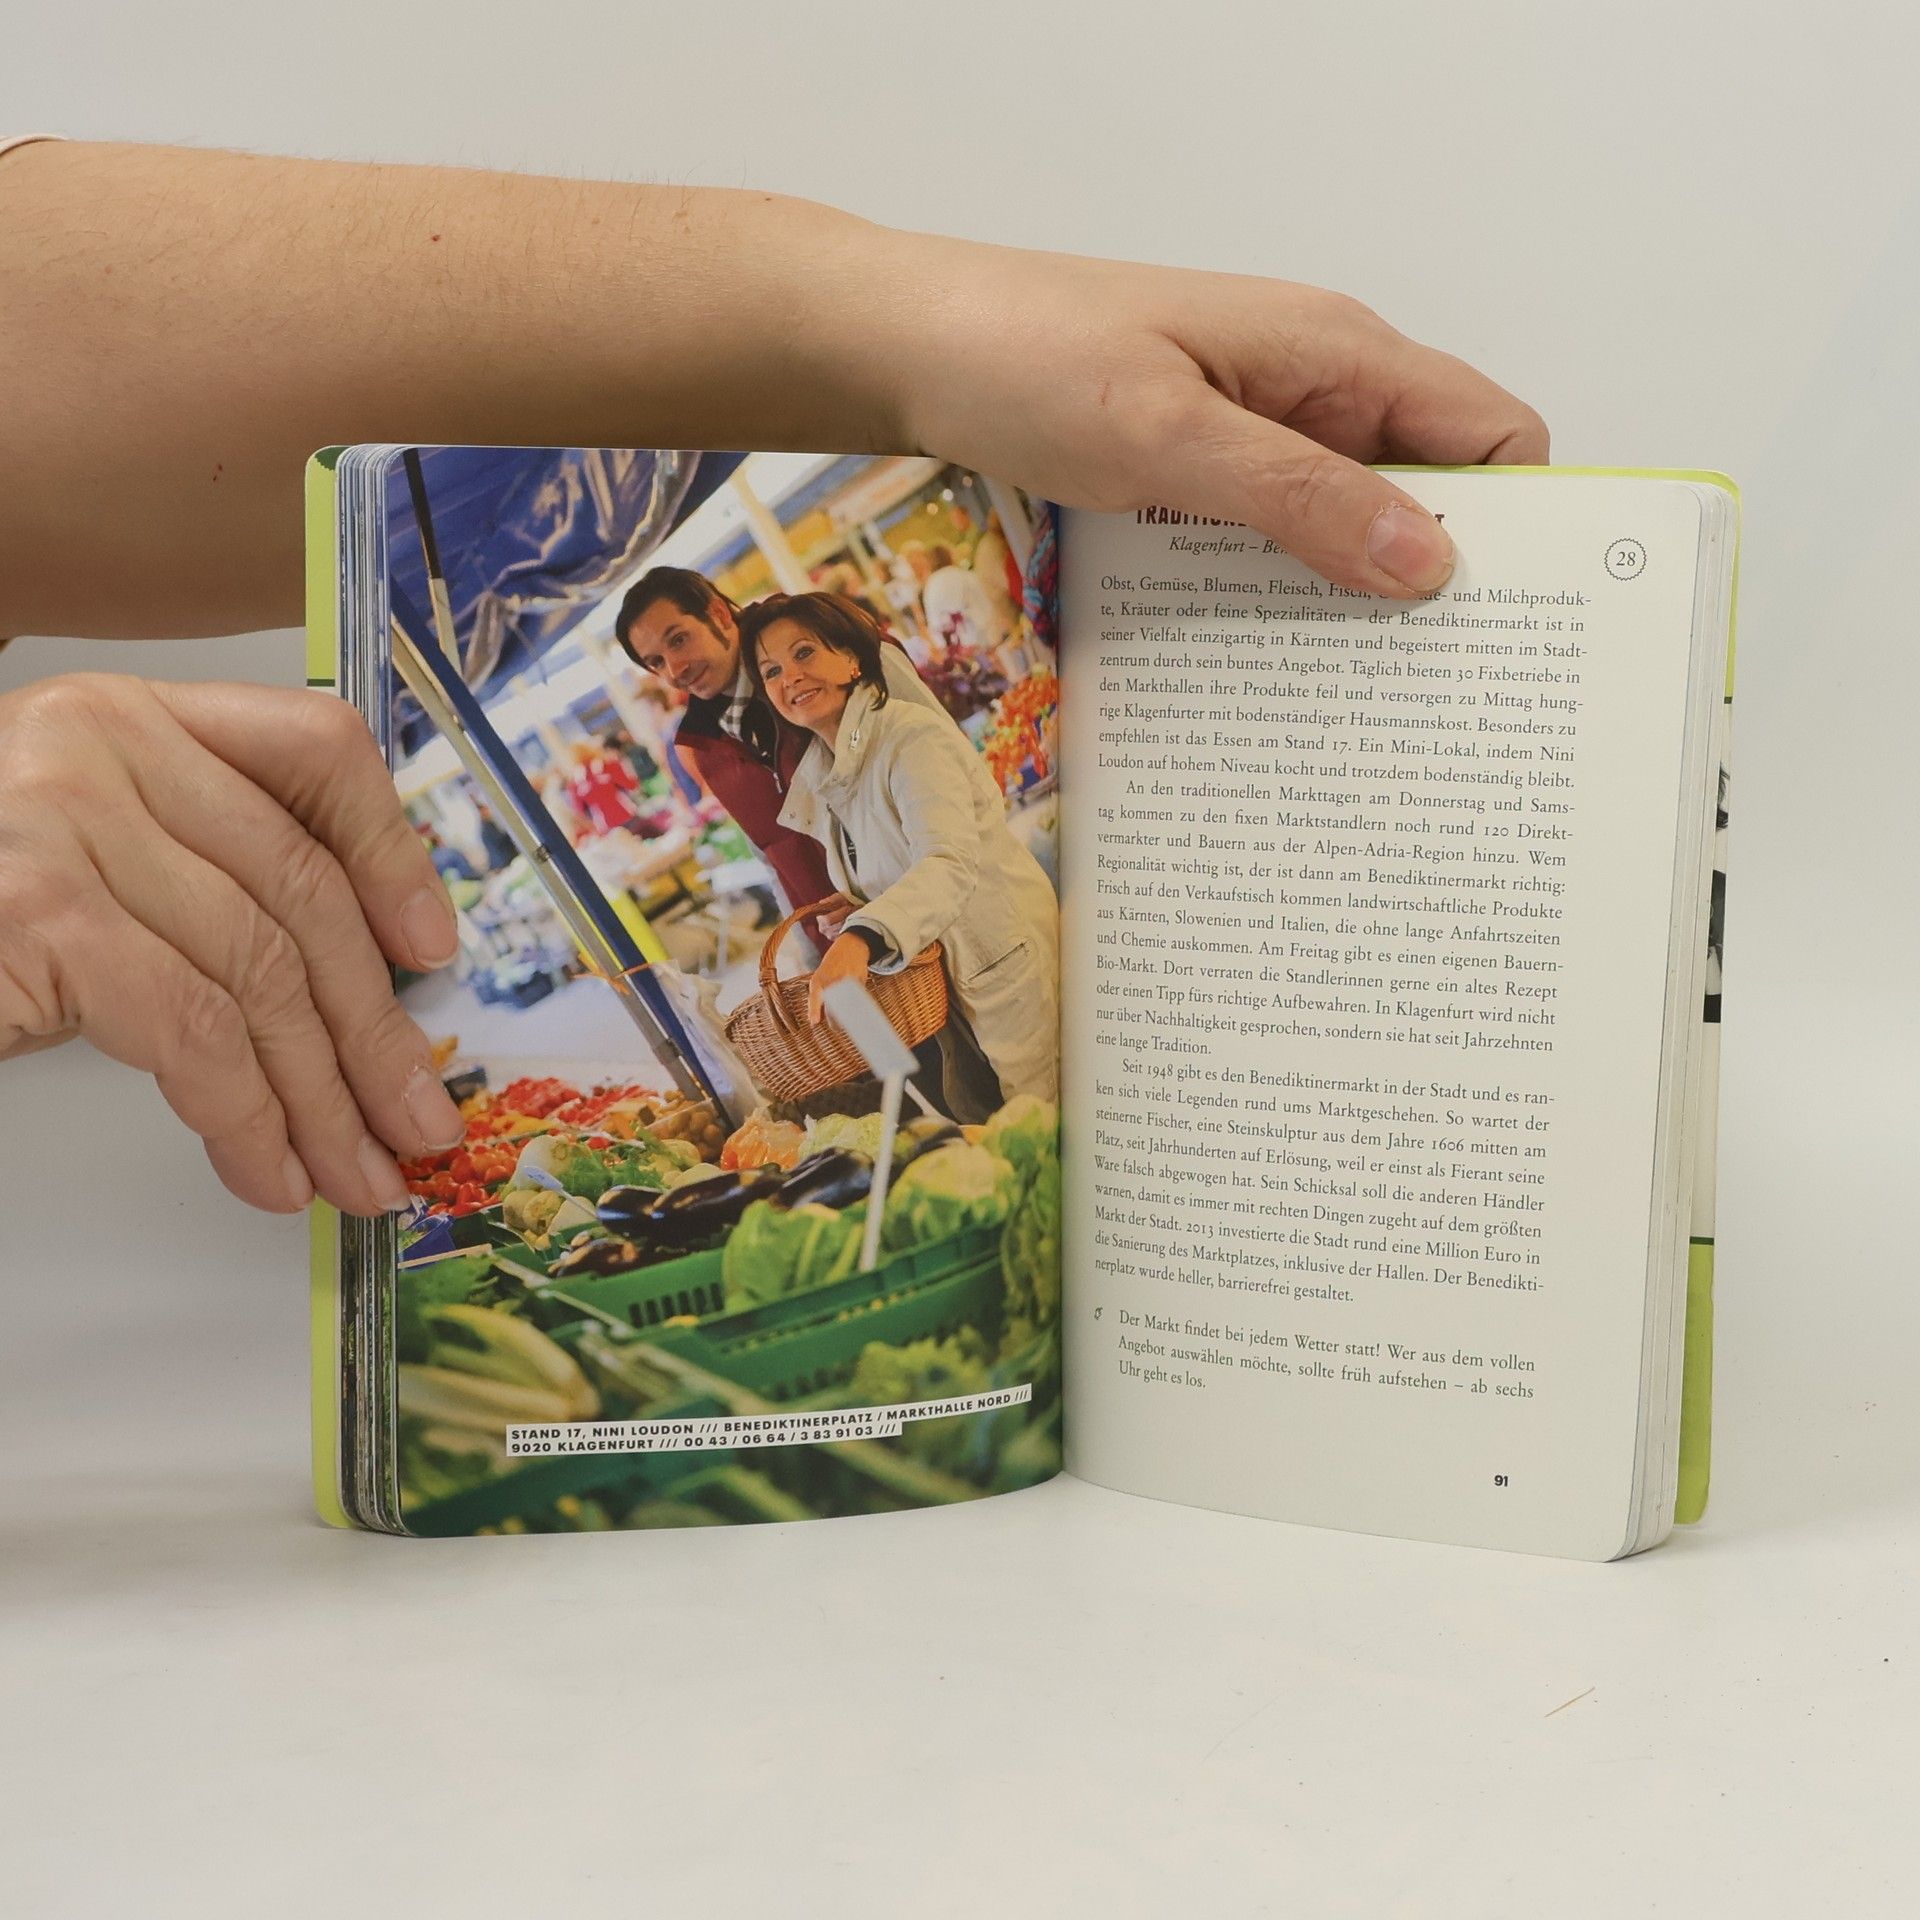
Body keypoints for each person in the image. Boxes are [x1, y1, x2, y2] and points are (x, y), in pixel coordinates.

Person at [0, 138, 1545, 1220]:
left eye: (732, 648)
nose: (729, 671)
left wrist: (892, 323)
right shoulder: (728, 744)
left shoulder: (876, 724)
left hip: (947, 954)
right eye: (669, 660)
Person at [742, 593, 1060, 1117]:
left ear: (851, 658)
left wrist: (864, 935)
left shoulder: (911, 737)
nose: (790, 677)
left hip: (1004, 958)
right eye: (771, 670)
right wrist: (864, 901)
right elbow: (902, 855)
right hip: (952, 982)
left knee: (1049, 1119)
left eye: (804, 653)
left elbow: (947, 860)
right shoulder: (831, 771)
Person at [614, 571, 952, 937]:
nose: (674, 670)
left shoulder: (828, 644)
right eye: (656, 662)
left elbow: (945, 759)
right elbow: (773, 860)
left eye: (679, 640)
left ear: (718, 614)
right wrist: (812, 953)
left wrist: (889, 913)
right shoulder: (705, 745)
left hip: (936, 915)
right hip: (848, 948)